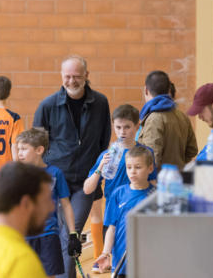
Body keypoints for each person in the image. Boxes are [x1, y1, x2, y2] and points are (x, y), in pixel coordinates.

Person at [33, 55, 111, 278]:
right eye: (67, 76)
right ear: (61, 76)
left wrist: (96, 171)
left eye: (77, 76)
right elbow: (37, 143)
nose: (71, 81)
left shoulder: (101, 103)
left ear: (87, 75)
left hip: (85, 183)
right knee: (59, 235)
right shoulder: (47, 105)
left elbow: (103, 139)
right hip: (57, 181)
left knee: (70, 232)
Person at [83, 105, 157, 273]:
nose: (122, 132)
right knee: (120, 263)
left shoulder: (145, 153)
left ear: (137, 126)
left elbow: (153, 184)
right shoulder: (107, 155)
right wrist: (100, 167)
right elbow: (87, 189)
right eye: (118, 127)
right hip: (115, 216)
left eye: (127, 127)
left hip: (140, 213)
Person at [15, 128, 81, 277]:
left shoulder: (55, 173)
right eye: (19, 149)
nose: (19, 153)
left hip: (49, 235)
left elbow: (66, 204)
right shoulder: (18, 174)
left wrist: (72, 234)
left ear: (39, 150)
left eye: (24, 149)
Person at [94, 146, 156, 277]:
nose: (132, 172)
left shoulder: (156, 196)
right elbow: (112, 228)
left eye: (138, 167)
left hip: (148, 262)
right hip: (121, 263)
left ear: (150, 169)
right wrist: (105, 253)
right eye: (129, 167)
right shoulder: (118, 194)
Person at [138, 70, 198, 170]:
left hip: (160, 181)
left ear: (146, 90)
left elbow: (152, 158)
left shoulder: (154, 119)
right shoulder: (182, 116)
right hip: (178, 177)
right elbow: (192, 150)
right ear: (169, 89)